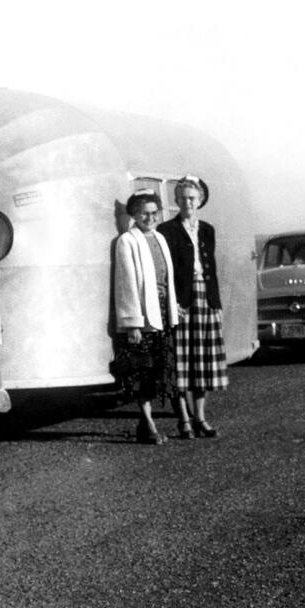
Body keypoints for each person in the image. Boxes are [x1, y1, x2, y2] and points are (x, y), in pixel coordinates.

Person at [158, 175, 226, 439]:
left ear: (199, 201)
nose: (187, 202)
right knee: (181, 361)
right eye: (183, 197)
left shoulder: (207, 229)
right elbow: (167, 271)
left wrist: (216, 302)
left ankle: (201, 417)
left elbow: (213, 269)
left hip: (205, 298)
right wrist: (173, 304)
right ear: (175, 200)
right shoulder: (167, 230)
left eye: (192, 198)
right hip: (182, 300)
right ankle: (183, 420)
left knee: (203, 361)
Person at [111, 189, 180, 445]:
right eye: (144, 213)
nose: (150, 218)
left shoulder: (160, 238)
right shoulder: (127, 241)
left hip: (162, 313)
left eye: (154, 213)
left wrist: (174, 307)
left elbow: (166, 279)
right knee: (142, 370)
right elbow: (126, 283)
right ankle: (148, 423)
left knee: (157, 371)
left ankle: (146, 423)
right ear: (134, 214)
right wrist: (132, 323)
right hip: (143, 317)